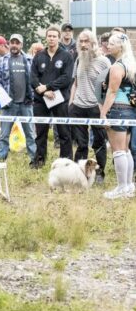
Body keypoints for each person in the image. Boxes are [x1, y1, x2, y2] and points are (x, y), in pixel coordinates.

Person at [69, 29, 110, 184]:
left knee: (99, 142)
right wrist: (71, 103)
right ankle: (79, 174)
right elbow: (75, 83)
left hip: (96, 107)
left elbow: (109, 88)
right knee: (81, 144)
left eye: (87, 41)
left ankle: (99, 173)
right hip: (78, 107)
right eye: (81, 41)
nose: (84, 44)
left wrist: (104, 110)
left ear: (94, 43)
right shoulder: (78, 59)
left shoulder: (104, 61)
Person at [30, 25, 74, 167]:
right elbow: (33, 77)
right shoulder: (39, 55)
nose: (52, 38)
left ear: (59, 37)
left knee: (63, 132)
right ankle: (39, 160)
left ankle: (65, 161)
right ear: (46, 37)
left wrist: (49, 87)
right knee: (41, 132)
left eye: (54, 36)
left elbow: (67, 78)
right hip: (41, 99)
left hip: (59, 98)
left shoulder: (66, 55)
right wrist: (43, 91)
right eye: (49, 36)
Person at [99, 33, 136, 199]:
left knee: (118, 151)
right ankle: (128, 186)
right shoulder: (131, 64)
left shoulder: (117, 66)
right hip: (130, 111)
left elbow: (112, 92)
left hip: (117, 109)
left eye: (112, 43)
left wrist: (103, 113)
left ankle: (122, 187)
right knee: (126, 150)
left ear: (120, 46)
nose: (108, 45)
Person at [0, 34, 37, 163]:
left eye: (17, 43)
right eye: (12, 42)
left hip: (26, 103)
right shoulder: (2, 60)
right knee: (4, 134)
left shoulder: (30, 60)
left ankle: (34, 159)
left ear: (21, 45)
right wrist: (4, 97)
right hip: (9, 104)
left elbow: (35, 79)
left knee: (30, 134)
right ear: (8, 44)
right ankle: (1, 158)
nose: (14, 45)